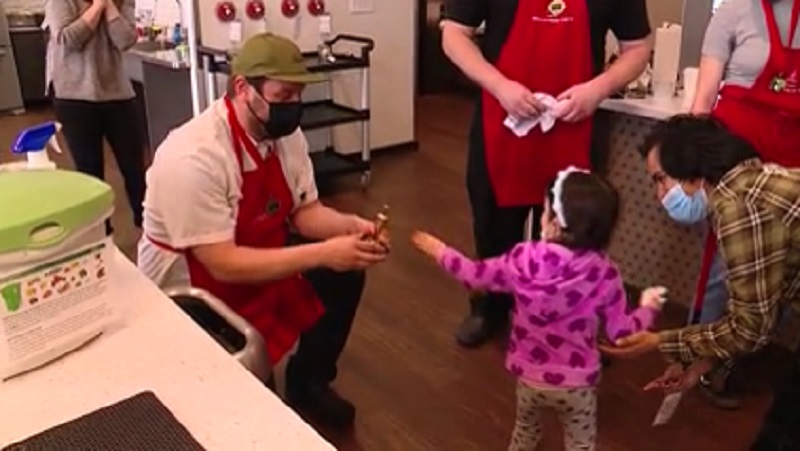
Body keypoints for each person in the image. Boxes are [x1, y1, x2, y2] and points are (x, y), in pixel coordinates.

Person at [136, 33, 390, 428]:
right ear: (243, 88)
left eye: (298, 96)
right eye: (284, 95)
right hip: (191, 287)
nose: (294, 108)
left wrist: (350, 227)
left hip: (252, 250)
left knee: (344, 276)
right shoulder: (193, 156)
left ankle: (309, 381)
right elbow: (221, 264)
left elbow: (305, 213)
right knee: (248, 413)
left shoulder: (283, 137)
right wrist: (324, 252)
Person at [440, 0, 654, 347]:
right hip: (503, 123)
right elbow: (453, 35)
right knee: (493, 227)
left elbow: (638, 47)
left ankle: (567, 318)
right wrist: (499, 85)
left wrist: (598, 89)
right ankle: (491, 308)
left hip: (576, 125)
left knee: (574, 238)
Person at [413, 167, 665, 451]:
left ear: (555, 224)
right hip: (577, 384)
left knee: (525, 431)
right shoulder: (605, 273)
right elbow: (622, 332)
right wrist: (648, 308)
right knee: (580, 443)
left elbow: (474, 275)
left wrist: (440, 251)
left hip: (529, 377)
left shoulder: (523, 258)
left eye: (545, 211)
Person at [604, 115, 800, 451]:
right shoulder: (753, 181)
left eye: (660, 180)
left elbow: (751, 327)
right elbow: (771, 301)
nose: (659, 194)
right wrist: (702, 363)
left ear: (692, 170)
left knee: (785, 427)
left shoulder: (738, 207)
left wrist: (660, 341)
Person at [682, 0, 800, 409]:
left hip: (793, 164)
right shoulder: (732, 11)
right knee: (725, 267)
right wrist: (692, 161)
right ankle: (705, 358)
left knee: (785, 270)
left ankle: (736, 357)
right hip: (736, 158)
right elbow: (704, 99)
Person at [45, 0, 146, 232]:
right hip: (73, 96)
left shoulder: (123, 2)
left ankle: (149, 225)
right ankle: (101, 232)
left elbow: (126, 40)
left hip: (118, 93)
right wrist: (97, 7)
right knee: (90, 172)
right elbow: (68, 39)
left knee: (135, 168)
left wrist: (109, 6)